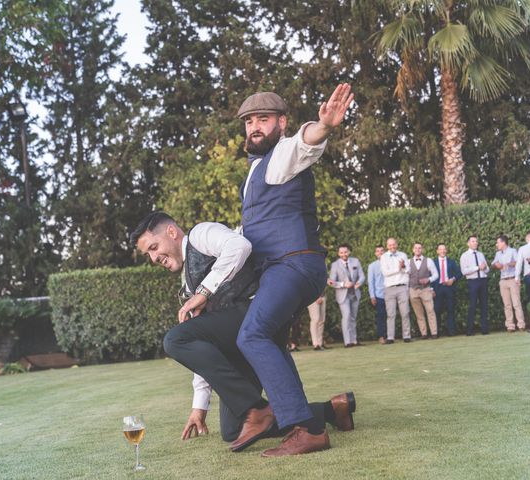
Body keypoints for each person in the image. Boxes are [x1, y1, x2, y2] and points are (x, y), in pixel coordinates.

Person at [187, 84, 353, 457]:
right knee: (271, 340)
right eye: (248, 122)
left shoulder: (281, 157)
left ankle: (304, 429)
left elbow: (304, 143)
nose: (254, 127)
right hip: (284, 269)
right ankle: (321, 416)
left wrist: (323, 126)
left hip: (292, 264)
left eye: (263, 119)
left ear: (281, 122)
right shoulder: (255, 171)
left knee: (252, 335)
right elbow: (249, 234)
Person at [130, 212, 356, 448]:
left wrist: (204, 291)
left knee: (175, 339)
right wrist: (200, 406)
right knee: (233, 430)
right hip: (237, 342)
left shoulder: (200, 234)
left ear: (172, 232)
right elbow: (201, 350)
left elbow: (239, 245)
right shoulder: (186, 285)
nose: (154, 257)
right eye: (149, 254)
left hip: (255, 314)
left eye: (154, 247)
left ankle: (257, 408)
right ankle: (332, 410)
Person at [328, 243, 365, 347]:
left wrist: (359, 283)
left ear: (349, 252)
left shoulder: (356, 261)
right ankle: (347, 342)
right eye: (341, 252)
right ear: (338, 254)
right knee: (347, 315)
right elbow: (331, 282)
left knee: (353, 317)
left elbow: (362, 276)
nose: (344, 254)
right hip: (343, 295)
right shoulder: (335, 265)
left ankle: (354, 340)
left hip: (355, 293)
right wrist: (343, 284)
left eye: (345, 252)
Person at [380, 237, 412, 343]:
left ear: (396, 244)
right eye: (390, 245)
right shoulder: (383, 257)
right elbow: (385, 272)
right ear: (387, 246)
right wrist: (398, 269)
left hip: (402, 287)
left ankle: (406, 336)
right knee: (391, 314)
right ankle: (390, 337)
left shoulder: (403, 255)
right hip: (389, 288)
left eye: (393, 244)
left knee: (405, 312)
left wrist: (402, 267)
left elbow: (408, 270)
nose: (392, 246)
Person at [491, 235, 526, 332]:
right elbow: (493, 264)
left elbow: (518, 262)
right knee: (507, 305)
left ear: (503, 242)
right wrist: (496, 265)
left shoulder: (513, 251)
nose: (496, 244)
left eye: (498, 242)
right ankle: (510, 326)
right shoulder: (498, 254)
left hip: (512, 279)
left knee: (516, 303)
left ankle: (521, 324)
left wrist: (508, 264)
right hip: (503, 280)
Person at [460, 235, 490, 335]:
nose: (475, 243)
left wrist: (484, 268)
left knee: (484, 305)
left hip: (483, 280)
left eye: (476, 241)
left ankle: (484, 329)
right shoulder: (464, 255)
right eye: (473, 241)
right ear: (468, 243)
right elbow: (464, 271)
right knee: (472, 305)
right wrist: (477, 267)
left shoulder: (481, 254)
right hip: (472, 282)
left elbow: (487, 269)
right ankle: (469, 330)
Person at [408, 243, 439, 339]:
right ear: (413, 250)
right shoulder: (408, 262)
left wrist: (428, 280)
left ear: (422, 249)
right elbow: (405, 276)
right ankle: (424, 334)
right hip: (413, 290)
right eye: (416, 248)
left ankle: (434, 333)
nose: (417, 249)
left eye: (419, 248)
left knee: (430, 311)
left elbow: (436, 275)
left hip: (425, 289)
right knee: (418, 313)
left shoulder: (428, 261)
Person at [433, 243, 462, 336]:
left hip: (449, 287)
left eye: (444, 249)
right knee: (437, 310)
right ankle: (436, 332)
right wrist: (431, 288)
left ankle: (451, 331)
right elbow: (429, 275)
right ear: (437, 251)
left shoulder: (451, 262)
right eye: (440, 249)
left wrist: (453, 279)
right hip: (438, 288)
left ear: (446, 250)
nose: (442, 251)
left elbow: (459, 273)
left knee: (450, 309)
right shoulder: (433, 262)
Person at [367, 244, 387, 344]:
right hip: (379, 295)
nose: (380, 253)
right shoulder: (372, 266)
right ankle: (382, 336)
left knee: (391, 316)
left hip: (391, 293)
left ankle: (390, 336)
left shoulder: (390, 263)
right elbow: (371, 282)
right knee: (381, 316)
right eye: (378, 251)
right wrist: (372, 296)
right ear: (375, 253)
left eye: (382, 251)